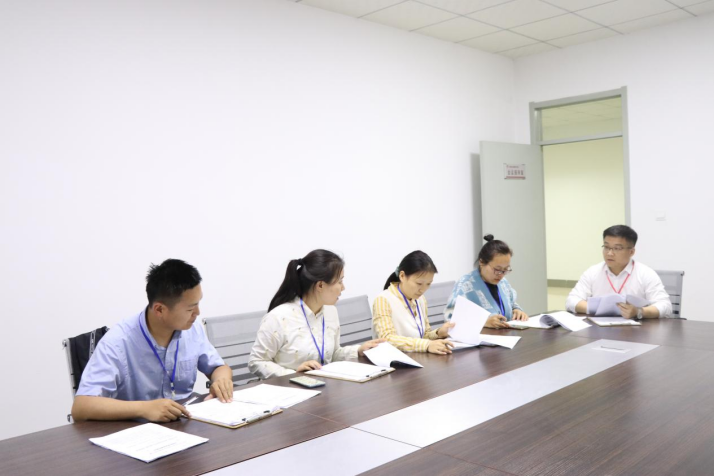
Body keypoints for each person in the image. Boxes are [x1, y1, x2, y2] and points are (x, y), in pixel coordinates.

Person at [72, 259, 233, 422]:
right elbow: (81, 407)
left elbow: (218, 367)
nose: (197, 313)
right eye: (190, 308)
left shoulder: (192, 329)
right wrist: (144, 408)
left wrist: (221, 380)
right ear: (159, 309)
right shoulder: (117, 342)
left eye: (198, 304)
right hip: (136, 430)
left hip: (183, 422)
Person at [248, 249, 383, 379]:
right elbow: (256, 361)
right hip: (288, 389)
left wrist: (358, 350)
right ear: (320, 286)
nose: (343, 288)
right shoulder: (279, 318)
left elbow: (332, 355)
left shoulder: (330, 312)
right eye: (340, 281)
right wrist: (292, 374)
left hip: (322, 386)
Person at [566, 225, 672, 319]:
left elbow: (665, 306)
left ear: (631, 252)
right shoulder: (592, 272)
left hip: (636, 330)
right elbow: (571, 301)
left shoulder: (646, 273)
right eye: (606, 247)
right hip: (598, 329)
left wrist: (639, 312)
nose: (609, 253)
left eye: (617, 248)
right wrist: (598, 308)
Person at [372, 251, 455, 354]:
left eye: (428, 284)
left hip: (416, 357)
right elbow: (387, 339)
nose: (423, 289)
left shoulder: (421, 299)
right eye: (419, 283)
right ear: (402, 276)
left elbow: (424, 335)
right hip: (392, 360)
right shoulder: (383, 300)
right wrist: (426, 345)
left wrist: (439, 333)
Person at [444, 235, 527, 328]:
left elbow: (511, 303)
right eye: (497, 269)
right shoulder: (465, 285)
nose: (501, 274)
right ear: (482, 262)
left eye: (505, 269)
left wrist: (517, 311)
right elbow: (450, 318)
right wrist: (484, 322)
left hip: (505, 334)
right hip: (480, 336)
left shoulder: (503, 283)